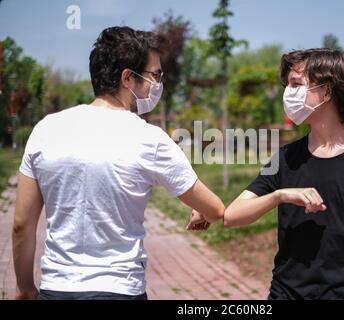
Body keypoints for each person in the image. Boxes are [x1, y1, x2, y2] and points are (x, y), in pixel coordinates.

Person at [12, 26, 224, 300]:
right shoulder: (150, 139)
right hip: (120, 290)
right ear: (128, 77)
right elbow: (216, 209)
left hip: (57, 288)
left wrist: (25, 287)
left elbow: (21, 224)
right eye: (155, 75)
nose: (158, 84)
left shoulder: (45, 129)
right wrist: (202, 211)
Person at [221, 49, 344, 300]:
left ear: (327, 91)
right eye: (288, 85)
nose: (288, 93)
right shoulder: (286, 158)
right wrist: (279, 196)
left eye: (297, 84)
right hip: (285, 294)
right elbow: (232, 216)